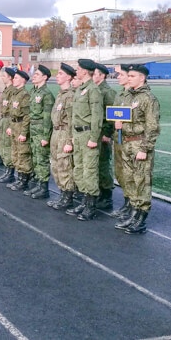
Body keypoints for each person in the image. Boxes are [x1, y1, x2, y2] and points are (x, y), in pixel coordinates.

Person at [112, 64, 161, 234]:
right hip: (126, 143)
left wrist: (145, 148)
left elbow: (152, 126)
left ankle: (141, 217)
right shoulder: (128, 97)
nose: (129, 78)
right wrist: (119, 125)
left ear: (142, 78)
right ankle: (133, 211)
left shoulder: (148, 99)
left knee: (141, 181)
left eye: (132, 76)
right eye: (129, 75)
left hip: (139, 144)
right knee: (130, 179)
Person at [66, 59, 104, 221]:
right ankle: (84, 200)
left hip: (88, 135)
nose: (77, 70)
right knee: (79, 169)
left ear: (85, 71)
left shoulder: (93, 90)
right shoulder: (81, 89)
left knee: (90, 171)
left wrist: (94, 137)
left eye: (79, 68)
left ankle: (91, 205)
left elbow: (97, 115)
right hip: (79, 134)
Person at [47, 63, 77, 210]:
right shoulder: (61, 94)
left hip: (64, 132)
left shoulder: (70, 96)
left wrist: (69, 141)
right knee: (55, 164)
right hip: (56, 132)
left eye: (60, 74)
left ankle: (67, 196)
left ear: (69, 77)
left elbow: (72, 120)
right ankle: (62, 193)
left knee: (64, 165)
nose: (57, 76)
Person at [24, 64, 54, 199]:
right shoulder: (33, 92)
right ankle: (37, 183)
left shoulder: (46, 94)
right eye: (34, 74)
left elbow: (48, 117)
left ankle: (44, 187)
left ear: (44, 77)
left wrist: (45, 136)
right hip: (33, 128)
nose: (33, 76)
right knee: (35, 158)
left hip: (41, 130)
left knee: (42, 159)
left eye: (37, 74)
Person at [93, 63, 116, 211]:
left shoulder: (107, 92)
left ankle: (107, 196)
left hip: (103, 134)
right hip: (96, 132)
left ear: (102, 75)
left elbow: (111, 115)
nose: (92, 76)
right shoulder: (96, 90)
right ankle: (99, 193)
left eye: (95, 74)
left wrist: (107, 133)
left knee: (103, 165)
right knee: (96, 164)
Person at [6, 70, 33, 190]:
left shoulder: (24, 95)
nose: (13, 79)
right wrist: (10, 127)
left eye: (16, 78)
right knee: (16, 153)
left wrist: (23, 132)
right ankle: (19, 178)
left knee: (23, 154)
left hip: (21, 125)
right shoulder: (15, 94)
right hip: (15, 124)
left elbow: (27, 115)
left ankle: (24, 180)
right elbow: (12, 113)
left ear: (23, 80)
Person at [0, 67, 17, 185]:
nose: (2, 77)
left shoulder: (12, 90)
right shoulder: (6, 89)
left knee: (8, 146)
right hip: (3, 118)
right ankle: (7, 170)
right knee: (3, 145)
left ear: (9, 77)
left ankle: (10, 173)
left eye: (4, 76)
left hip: (9, 119)